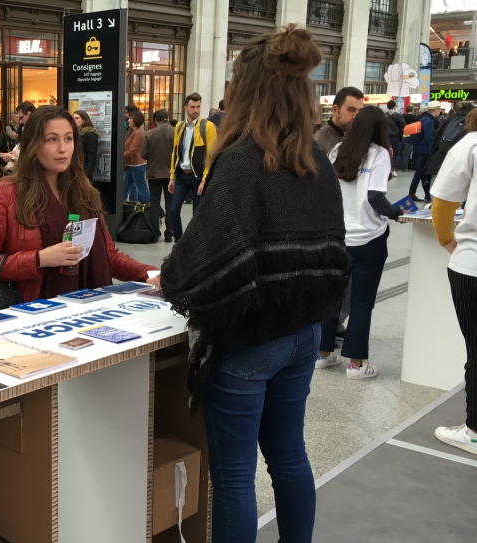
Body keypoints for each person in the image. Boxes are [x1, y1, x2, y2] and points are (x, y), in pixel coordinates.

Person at [158, 25, 349, 543]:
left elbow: (198, 261)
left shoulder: (240, 162)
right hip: (303, 335)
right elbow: (336, 256)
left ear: (244, 91)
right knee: (289, 456)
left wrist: (170, 278)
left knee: (236, 477)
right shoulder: (317, 163)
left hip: (249, 344)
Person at [0, 106, 159, 301]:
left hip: (86, 310)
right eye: (52, 139)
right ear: (33, 144)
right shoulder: (5, 195)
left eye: (68, 138)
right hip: (32, 313)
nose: (63, 148)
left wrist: (151, 274)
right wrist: (40, 259)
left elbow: (108, 256)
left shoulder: (83, 193)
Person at [317, 106, 404, 379]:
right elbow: (375, 197)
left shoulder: (337, 151)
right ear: (381, 129)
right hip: (369, 239)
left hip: (338, 237)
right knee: (362, 303)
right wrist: (398, 213)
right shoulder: (380, 155)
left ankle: (323, 355)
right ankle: (356, 365)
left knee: (332, 298)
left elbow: (326, 194)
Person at [429, 108, 477, 456]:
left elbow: (444, 202)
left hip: (472, 264)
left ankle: (474, 430)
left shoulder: (470, 145)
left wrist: (446, 238)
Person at [168, 93, 217, 240]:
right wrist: (172, 176)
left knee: (197, 214)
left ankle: (195, 246)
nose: (196, 110)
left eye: (198, 106)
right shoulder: (179, 126)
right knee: (174, 210)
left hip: (198, 177)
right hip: (183, 175)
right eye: (192, 107)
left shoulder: (207, 126)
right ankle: (179, 243)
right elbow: (175, 152)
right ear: (185, 108)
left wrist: (204, 179)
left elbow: (211, 154)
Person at [142, 109, 175, 242]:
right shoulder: (176, 132)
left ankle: (154, 233)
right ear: (167, 117)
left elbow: (143, 154)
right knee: (170, 203)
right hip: (171, 174)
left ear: (155, 120)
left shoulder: (149, 133)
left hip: (154, 172)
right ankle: (169, 234)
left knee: (154, 203)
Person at [315, 87, 364, 154]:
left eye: (360, 111)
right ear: (335, 110)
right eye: (351, 110)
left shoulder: (356, 137)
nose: (356, 116)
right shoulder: (319, 143)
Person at [408, 103, 439, 202]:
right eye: (439, 109)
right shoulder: (429, 121)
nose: (440, 111)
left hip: (418, 149)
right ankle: (412, 194)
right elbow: (429, 137)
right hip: (424, 150)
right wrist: (438, 141)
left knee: (422, 173)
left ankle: (425, 194)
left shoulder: (423, 118)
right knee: (420, 173)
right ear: (435, 110)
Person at [123, 108, 149, 204]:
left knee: (141, 187)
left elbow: (131, 150)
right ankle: (122, 205)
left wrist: (120, 157)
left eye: (130, 118)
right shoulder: (135, 131)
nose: (128, 120)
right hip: (132, 163)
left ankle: (148, 206)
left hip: (137, 164)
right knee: (124, 186)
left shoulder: (138, 132)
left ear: (136, 119)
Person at [72, 109, 99, 180]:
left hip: (83, 169)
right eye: (73, 118)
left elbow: (92, 156)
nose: (74, 120)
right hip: (73, 169)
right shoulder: (73, 134)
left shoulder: (90, 135)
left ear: (84, 120)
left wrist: (87, 174)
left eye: (77, 118)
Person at [385, 100, 406, 169]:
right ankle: (393, 168)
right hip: (395, 136)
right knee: (396, 153)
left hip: (385, 136)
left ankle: (386, 166)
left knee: (385, 152)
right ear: (394, 106)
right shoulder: (398, 115)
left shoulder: (384, 115)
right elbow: (404, 125)